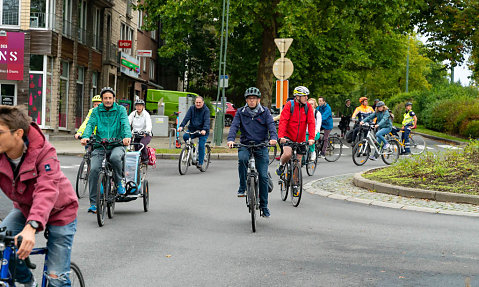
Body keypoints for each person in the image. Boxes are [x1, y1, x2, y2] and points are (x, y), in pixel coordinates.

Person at [0, 105, 78, 287]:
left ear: (18, 133)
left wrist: (32, 226)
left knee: (56, 277)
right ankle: (29, 282)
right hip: (26, 209)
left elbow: (47, 190)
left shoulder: (44, 152)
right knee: (3, 248)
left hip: (60, 213)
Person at [227, 87, 277, 217]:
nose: (251, 101)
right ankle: (242, 186)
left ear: (258, 100)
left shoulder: (265, 112)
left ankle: (264, 206)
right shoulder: (240, 112)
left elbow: (271, 126)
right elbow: (234, 126)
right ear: (246, 100)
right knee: (243, 159)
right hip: (245, 143)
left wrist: (273, 138)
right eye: (249, 99)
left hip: (261, 145)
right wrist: (231, 139)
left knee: (263, 176)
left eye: (254, 99)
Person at [80, 87, 132, 213]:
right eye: (105, 98)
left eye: (110, 98)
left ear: (114, 99)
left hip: (117, 144)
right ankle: (94, 203)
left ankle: (119, 182)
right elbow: (90, 124)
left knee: (115, 158)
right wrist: (86, 136)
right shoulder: (96, 111)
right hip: (100, 145)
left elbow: (125, 123)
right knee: (93, 170)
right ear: (102, 99)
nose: (108, 100)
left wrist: (127, 136)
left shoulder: (120, 110)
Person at [276, 86, 315, 186]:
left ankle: (295, 182)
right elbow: (283, 121)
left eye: (307, 96)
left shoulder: (308, 107)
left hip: (300, 138)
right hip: (288, 136)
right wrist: (281, 136)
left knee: (298, 161)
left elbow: (311, 123)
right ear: (297, 97)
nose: (306, 98)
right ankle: (281, 165)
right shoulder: (290, 105)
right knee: (288, 154)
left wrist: (311, 138)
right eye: (304, 96)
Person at [177, 96, 210, 169]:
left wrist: (204, 129)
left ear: (203, 103)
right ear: (194, 103)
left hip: (202, 131)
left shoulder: (206, 110)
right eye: (196, 102)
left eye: (199, 102)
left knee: (201, 145)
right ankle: (190, 150)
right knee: (185, 136)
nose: (198, 104)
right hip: (192, 129)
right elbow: (186, 118)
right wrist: (181, 126)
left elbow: (207, 121)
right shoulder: (192, 108)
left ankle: (200, 162)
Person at [128, 99, 152, 163]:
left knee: (142, 144)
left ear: (143, 107)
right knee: (135, 147)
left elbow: (149, 124)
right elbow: (128, 123)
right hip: (136, 134)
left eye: (140, 106)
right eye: (137, 106)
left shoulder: (146, 114)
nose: (138, 107)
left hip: (145, 135)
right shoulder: (133, 114)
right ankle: (136, 162)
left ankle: (145, 158)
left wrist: (147, 131)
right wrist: (126, 130)